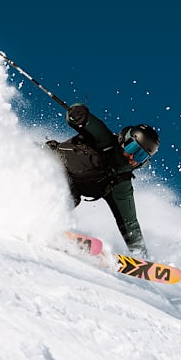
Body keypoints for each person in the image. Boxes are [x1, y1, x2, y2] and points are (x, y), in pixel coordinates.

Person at [45, 103, 159, 258]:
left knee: (71, 197)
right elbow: (86, 123)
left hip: (66, 190)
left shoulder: (120, 183)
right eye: (133, 149)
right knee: (62, 187)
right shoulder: (104, 140)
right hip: (46, 164)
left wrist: (142, 259)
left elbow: (130, 225)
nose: (132, 157)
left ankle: (42, 222)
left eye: (140, 156)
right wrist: (79, 113)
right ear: (124, 140)